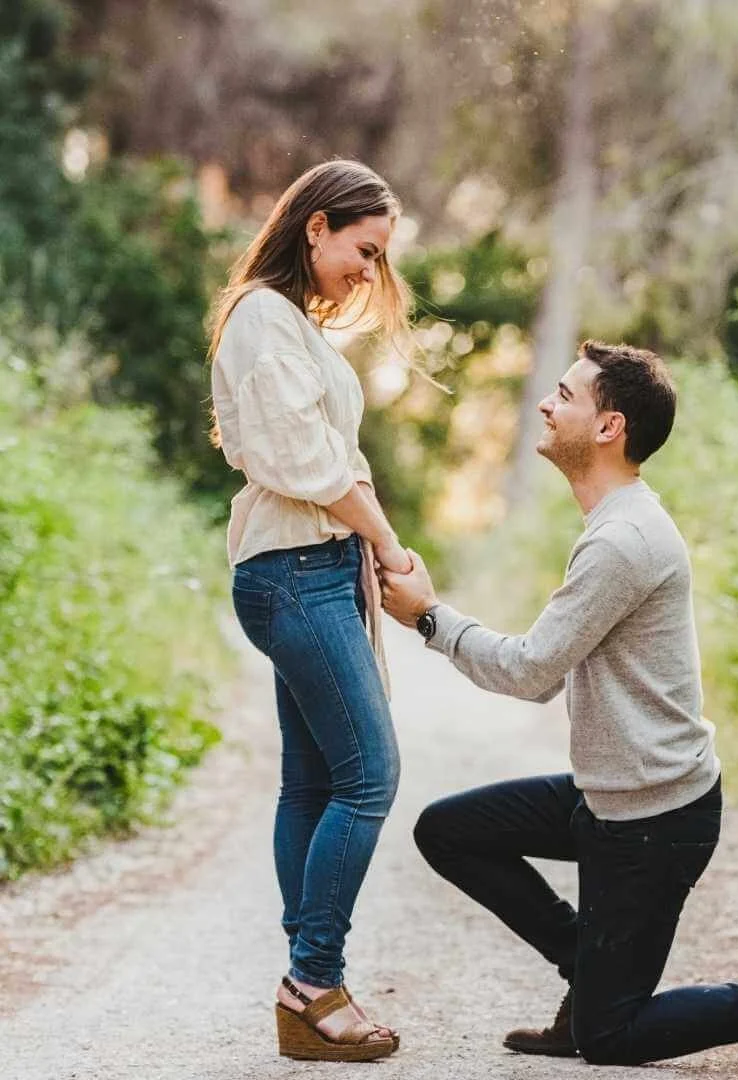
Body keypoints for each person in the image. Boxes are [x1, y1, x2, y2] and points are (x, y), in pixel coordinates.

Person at [379, 340, 738, 1066]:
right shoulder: (612, 525)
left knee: (611, 1037)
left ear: (608, 426)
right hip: (610, 799)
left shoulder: (623, 540)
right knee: (450, 831)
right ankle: (589, 972)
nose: (546, 403)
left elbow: (532, 673)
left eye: (565, 393)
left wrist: (430, 617)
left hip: (657, 820)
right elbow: (550, 672)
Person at [209, 159, 411, 1062]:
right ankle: (313, 979)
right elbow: (314, 464)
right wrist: (389, 545)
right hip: (294, 570)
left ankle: (308, 977)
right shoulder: (261, 317)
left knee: (318, 782)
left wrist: (371, 544)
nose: (369, 272)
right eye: (364, 250)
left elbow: (332, 462)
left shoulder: (287, 325)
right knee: (370, 774)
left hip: (314, 566)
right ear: (317, 225)